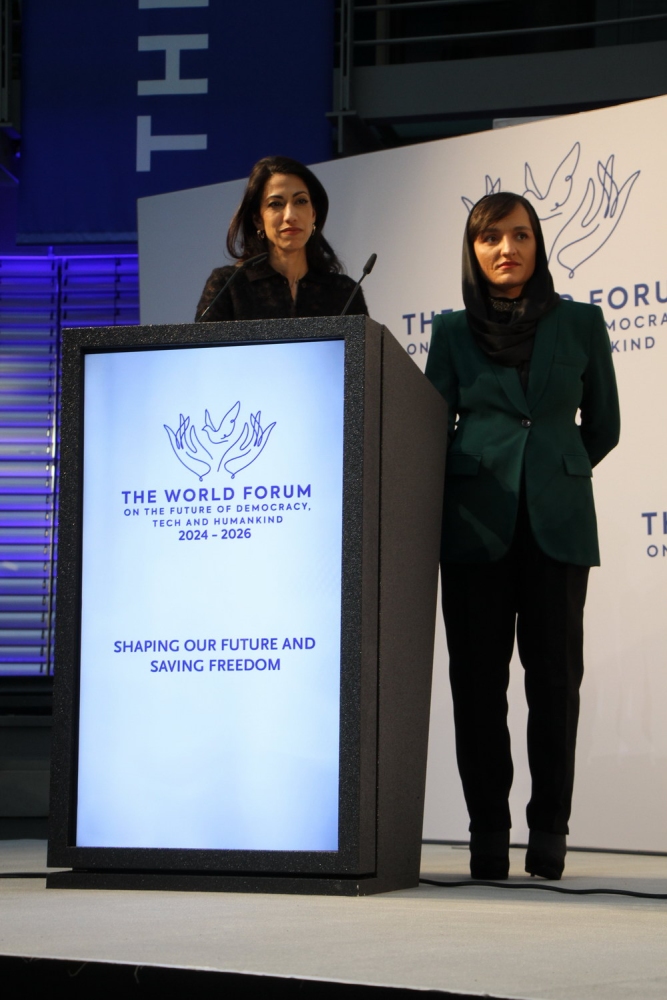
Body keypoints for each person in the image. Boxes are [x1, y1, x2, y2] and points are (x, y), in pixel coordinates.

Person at [425, 192, 620, 881]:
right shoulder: (451, 332)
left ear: (537, 244)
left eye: (519, 235)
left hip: (557, 525)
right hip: (473, 526)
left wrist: (550, 473)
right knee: (477, 687)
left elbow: (603, 425)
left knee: (555, 686)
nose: (506, 249)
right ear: (472, 250)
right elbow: (430, 429)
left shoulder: (581, 322)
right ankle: (487, 834)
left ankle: (548, 833)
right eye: (490, 238)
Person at [195, 155, 368, 322]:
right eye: (276, 204)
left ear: (313, 214)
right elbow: (202, 343)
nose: (290, 216)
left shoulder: (345, 292)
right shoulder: (229, 286)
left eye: (300, 201)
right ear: (258, 219)